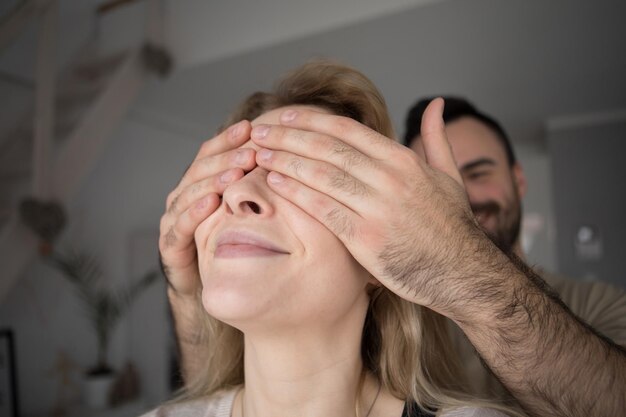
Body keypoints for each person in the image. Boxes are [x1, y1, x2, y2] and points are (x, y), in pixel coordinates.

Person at [159, 73, 626, 416]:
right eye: (428, 188)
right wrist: (186, 289)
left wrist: (464, 267)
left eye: (477, 173)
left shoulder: (597, 306)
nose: (449, 203)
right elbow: (216, 382)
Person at [402, 97, 626, 405]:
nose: (459, 195)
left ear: (518, 180)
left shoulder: (599, 302)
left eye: (478, 173)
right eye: (437, 184)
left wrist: (467, 260)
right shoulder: (398, 324)